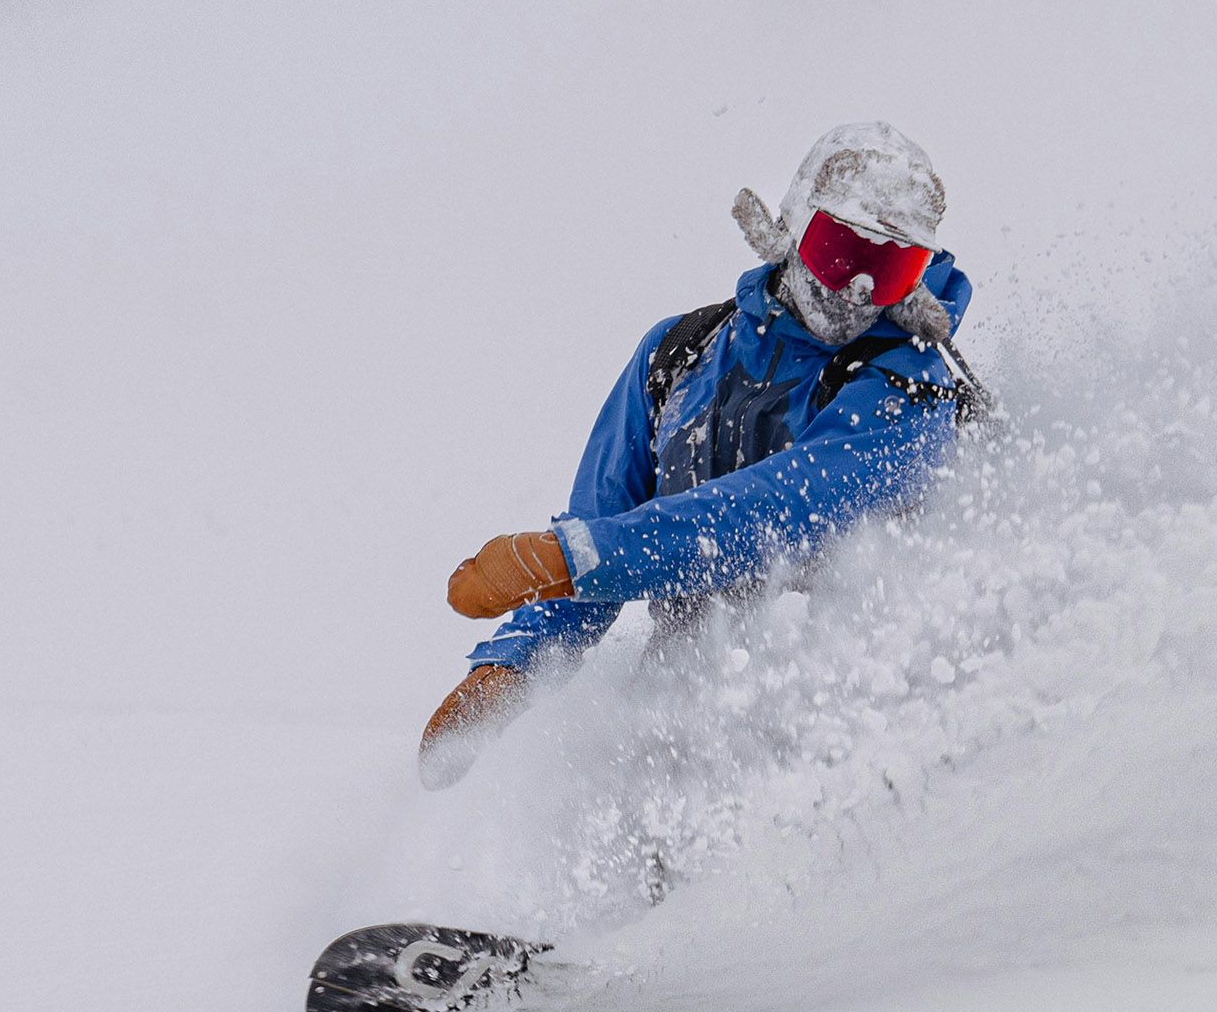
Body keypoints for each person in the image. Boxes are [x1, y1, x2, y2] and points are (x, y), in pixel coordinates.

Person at [419, 122, 986, 789]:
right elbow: (600, 528)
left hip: (853, 731)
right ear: (796, 229)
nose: (858, 288)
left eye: (891, 269)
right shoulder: (679, 355)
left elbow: (778, 511)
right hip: (687, 723)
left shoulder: (910, 391)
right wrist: (514, 666)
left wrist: (572, 557)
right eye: (841, 251)